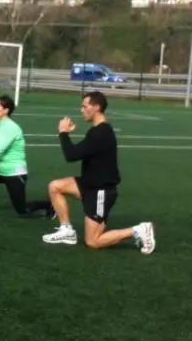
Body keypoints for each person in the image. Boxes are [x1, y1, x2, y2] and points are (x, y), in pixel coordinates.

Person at [40, 90, 155, 254]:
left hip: (100, 191)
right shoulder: (96, 131)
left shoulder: (102, 133)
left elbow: (71, 155)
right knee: (55, 187)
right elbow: (77, 152)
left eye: (84, 106)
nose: (81, 110)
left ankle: (140, 230)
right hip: (89, 184)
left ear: (97, 107)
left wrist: (63, 133)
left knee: (93, 241)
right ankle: (67, 231)